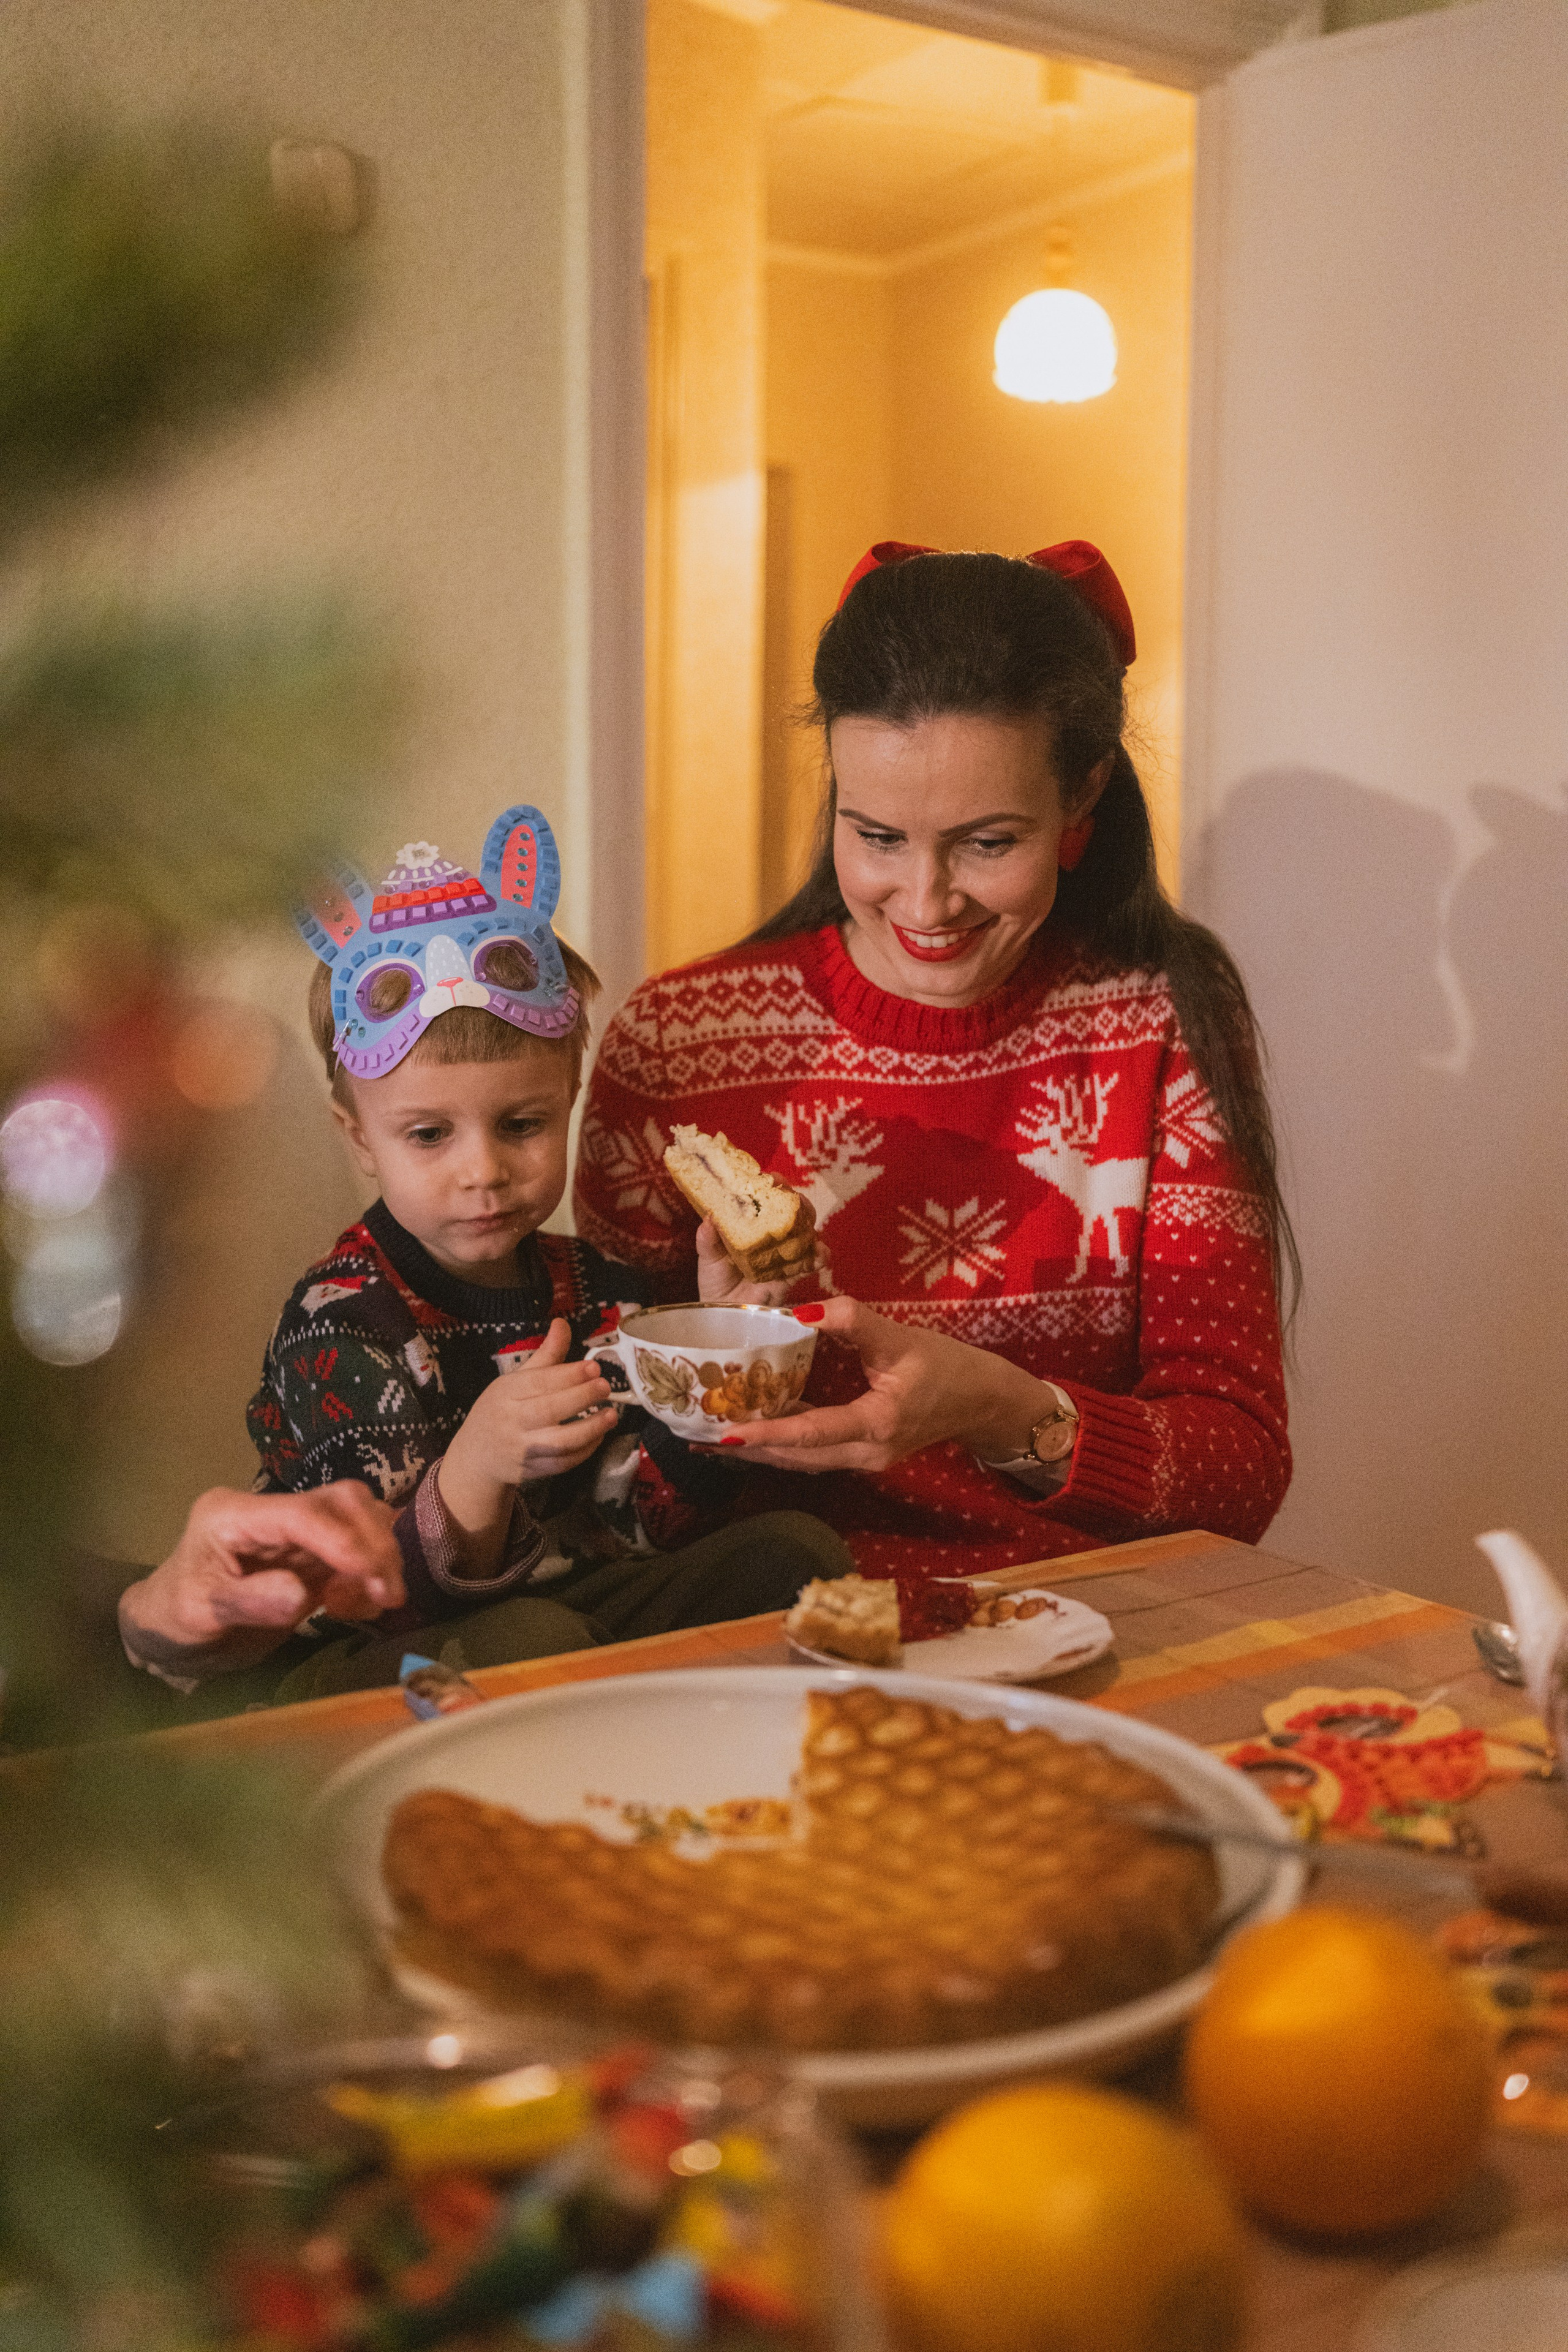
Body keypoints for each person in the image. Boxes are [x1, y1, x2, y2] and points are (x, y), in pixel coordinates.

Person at [576, 542, 1295, 1579]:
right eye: (876, 835)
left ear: (1082, 797)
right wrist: (727, 1359)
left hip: (1080, 1621)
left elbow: (1240, 1473)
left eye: (987, 843)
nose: (926, 902)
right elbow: (599, 1509)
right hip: (765, 1630)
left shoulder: (1161, 1018)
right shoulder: (676, 1045)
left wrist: (1009, 1411)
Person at [145, 810, 849, 1705]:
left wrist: (717, 1352)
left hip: (567, 1604)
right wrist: (476, 1466)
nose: (484, 1172)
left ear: (568, 1103)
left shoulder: (600, 1287)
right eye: (430, 1135)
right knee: (536, 1638)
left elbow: (645, 1526)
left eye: (522, 1126)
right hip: (372, 1655)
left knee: (796, 1553)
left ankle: (672, 1730)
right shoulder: (344, 1324)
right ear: (359, 1138)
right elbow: (368, 1596)